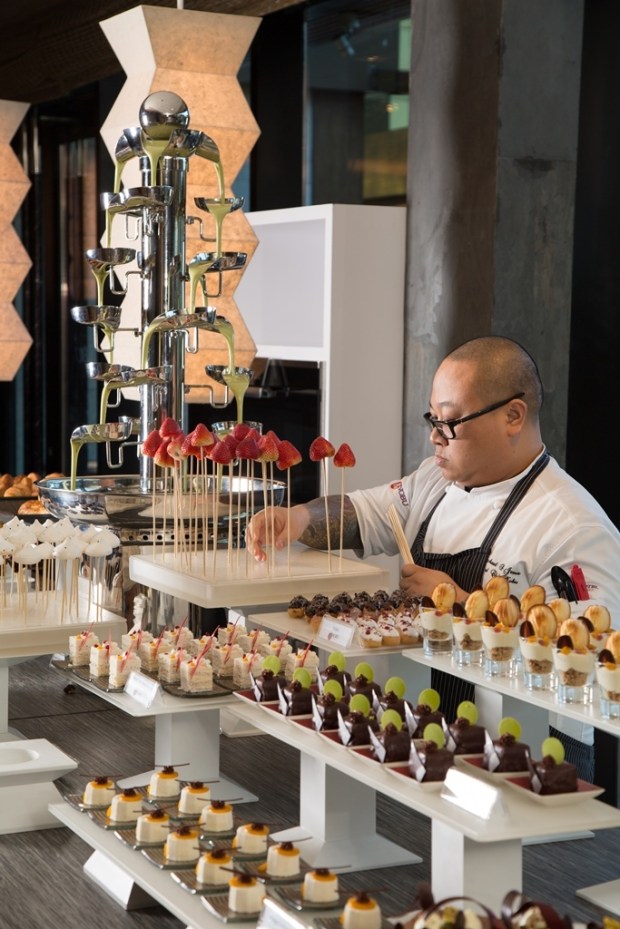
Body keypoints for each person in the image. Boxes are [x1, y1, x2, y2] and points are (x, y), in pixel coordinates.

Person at [246, 336, 620, 777]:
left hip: (533, 755)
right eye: (432, 418)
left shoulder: (572, 525)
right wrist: (298, 518)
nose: (434, 436)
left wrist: (458, 604)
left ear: (513, 416)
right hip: (434, 728)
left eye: (450, 421)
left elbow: (592, 661)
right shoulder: (434, 480)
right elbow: (368, 511)